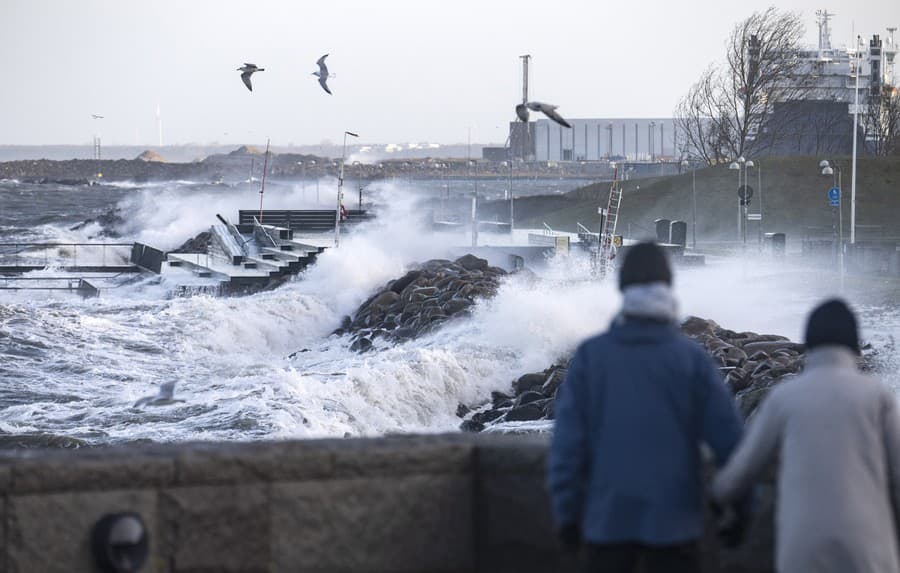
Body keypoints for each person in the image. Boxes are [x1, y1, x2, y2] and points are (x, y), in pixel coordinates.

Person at [548, 242, 744, 573]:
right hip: (675, 525)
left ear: (622, 287)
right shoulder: (691, 359)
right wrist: (741, 507)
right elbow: (729, 442)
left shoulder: (592, 357)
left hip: (607, 523)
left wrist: (567, 515)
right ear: (668, 286)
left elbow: (567, 447)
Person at [712, 299, 900, 573]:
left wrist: (716, 496)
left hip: (803, 548)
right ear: (853, 343)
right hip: (868, 548)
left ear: (809, 342)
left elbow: (742, 471)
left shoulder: (785, 396)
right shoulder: (878, 396)